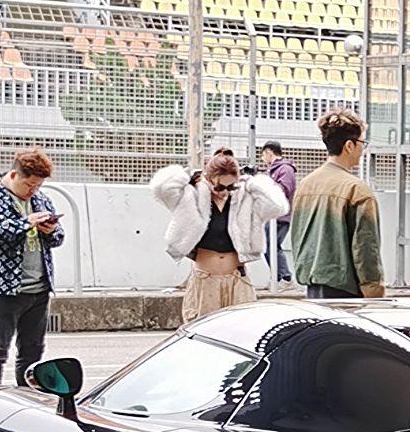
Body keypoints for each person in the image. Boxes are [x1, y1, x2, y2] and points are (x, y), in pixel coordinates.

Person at [0, 145, 66, 387]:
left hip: (38, 288)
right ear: (13, 175)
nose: (33, 191)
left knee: (33, 353)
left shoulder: (41, 199)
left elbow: (59, 237)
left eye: (38, 186)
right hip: (2, 289)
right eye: (29, 185)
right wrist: (23, 224)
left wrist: (51, 230)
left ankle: (29, 400)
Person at [153, 148, 288, 322]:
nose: (224, 191)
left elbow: (278, 207)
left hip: (237, 280)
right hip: (205, 280)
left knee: (243, 331)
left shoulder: (244, 198)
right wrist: (187, 176)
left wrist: (253, 183)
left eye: (230, 186)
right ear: (207, 178)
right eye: (219, 186)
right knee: (204, 331)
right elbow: (160, 188)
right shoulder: (192, 196)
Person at [289, 108, 385, 300]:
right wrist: (374, 291)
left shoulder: (306, 184)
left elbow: (297, 237)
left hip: (312, 285)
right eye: (362, 143)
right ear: (349, 145)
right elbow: (366, 249)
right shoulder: (357, 190)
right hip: (346, 290)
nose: (363, 150)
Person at [256, 139, 297, 282]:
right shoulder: (275, 169)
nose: (263, 158)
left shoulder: (285, 169)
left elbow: (284, 190)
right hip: (274, 215)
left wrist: (264, 186)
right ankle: (278, 278)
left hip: (281, 216)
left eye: (263, 154)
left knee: (272, 245)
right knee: (269, 246)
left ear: (268, 152)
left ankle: (285, 278)